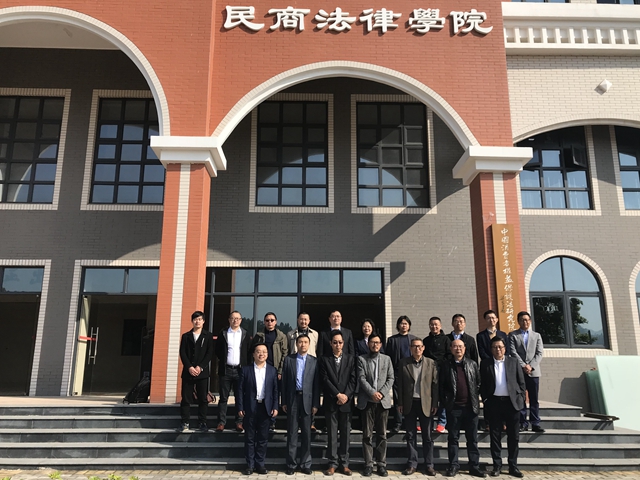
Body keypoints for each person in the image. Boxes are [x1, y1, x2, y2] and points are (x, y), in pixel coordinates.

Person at [480, 336, 526, 478]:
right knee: (495, 436)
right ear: (491, 349)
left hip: (512, 403)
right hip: (494, 403)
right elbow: (482, 384)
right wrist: (486, 400)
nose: (498, 349)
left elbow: (521, 382)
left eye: (500, 347)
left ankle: (513, 466)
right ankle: (497, 465)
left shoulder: (513, 362)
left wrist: (521, 398)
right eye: (495, 347)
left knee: (514, 436)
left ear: (505, 348)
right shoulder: (485, 363)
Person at [440, 339, 484, 478]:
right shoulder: (446, 365)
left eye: (460, 346)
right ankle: (453, 465)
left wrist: (474, 397)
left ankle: (474, 466)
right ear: (451, 349)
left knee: (472, 439)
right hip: (454, 408)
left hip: (471, 408)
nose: (458, 349)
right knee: (453, 438)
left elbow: (478, 383)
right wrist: (446, 401)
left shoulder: (472, 364)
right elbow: (441, 386)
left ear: (465, 348)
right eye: (455, 346)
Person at [397, 338, 438, 477]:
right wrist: (400, 403)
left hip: (426, 403)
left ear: (423, 348)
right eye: (414, 346)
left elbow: (435, 385)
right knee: (410, 435)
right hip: (409, 403)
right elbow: (400, 385)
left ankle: (429, 465)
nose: (417, 349)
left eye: (419, 346)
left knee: (427, 436)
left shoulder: (431, 363)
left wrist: (435, 403)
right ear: (410, 348)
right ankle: (412, 464)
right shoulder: (404, 363)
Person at [319, 330, 357, 476]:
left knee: (345, 434)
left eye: (340, 342)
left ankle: (345, 463)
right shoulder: (324, 359)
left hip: (346, 402)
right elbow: (324, 379)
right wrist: (337, 394)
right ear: (330, 343)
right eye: (335, 342)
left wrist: (346, 395)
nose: (338, 345)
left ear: (344, 343)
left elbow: (353, 379)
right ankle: (332, 463)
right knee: (332, 434)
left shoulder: (351, 359)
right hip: (331, 401)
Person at [237, 343, 279, 475]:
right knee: (249, 438)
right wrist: (240, 407)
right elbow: (240, 390)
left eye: (264, 352)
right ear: (254, 354)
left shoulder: (272, 370)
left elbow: (275, 391)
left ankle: (260, 464)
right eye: (258, 352)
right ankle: (250, 465)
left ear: (267, 354)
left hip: (265, 408)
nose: (261, 354)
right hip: (250, 406)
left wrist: (275, 406)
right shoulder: (246, 370)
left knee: (263, 438)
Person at [356, 333, 394, 477]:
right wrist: (372, 393)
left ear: (381, 344)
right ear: (368, 344)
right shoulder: (361, 359)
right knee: (367, 435)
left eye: (377, 342)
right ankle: (368, 464)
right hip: (367, 401)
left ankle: (381, 464)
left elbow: (391, 378)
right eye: (372, 342)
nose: (375, 345)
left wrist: (381, 393)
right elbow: (361, 378)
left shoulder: (387, 359)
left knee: (382, 435)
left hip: (382, 402)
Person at [281, 334, 320, 475]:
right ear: (296, 344)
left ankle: (305, 464)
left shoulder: (314, 361)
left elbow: (316, 385)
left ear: (309, 344)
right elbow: (284, 382)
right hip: (293, 399)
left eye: (305, 342)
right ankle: (291, 464)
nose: (303, 344)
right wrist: (283, 401)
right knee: (292, 433)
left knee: (306, 434)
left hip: (307, 400)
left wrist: (315, 404)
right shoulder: (289, 360)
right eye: (300, 342)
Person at [508, 311, 545, 433]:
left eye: (527, 320)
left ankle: (535, 423)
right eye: (523, 320)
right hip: (519, 372)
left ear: (530, 321)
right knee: (521, 398)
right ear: (518, 321)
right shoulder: (513, 335)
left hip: (533, 372)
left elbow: (539, 353)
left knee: (534, 399)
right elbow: (513, 352)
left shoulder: (537, 335)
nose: (525, 322)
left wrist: (531, 366)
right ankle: (523, 422)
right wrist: (523, 365)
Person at [252, 312, 288, 431]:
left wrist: (280, 371)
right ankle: (261, 419)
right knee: (261, 393)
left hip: (275, 370)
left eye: (272, 320)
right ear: (264, 322)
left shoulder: (281, 336)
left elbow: (285, 354)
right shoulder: (259, 336)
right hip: (261, 368)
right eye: (267, 320)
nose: (270, 322)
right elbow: (253, 351)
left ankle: (272, 421)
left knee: (274, 395)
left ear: (276, 322)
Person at [179, 310, 214, 433]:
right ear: (192, 321)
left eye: (199, 319)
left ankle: (202, 422)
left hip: (202, 372)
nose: (197, 321)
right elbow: (182, 353)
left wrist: (201, 367)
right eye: (195, 319)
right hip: (188, 372)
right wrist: (189, 367)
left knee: (203, 399)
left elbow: (209, 353)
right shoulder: (186, 336)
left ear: (203, 321)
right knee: (186, 398)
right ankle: (185, 422)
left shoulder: (208, 336)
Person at [215, 310, 249, 432]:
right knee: (223, 398)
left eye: (238, 318)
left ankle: (239, 422)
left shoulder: (245, 334)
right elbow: (218, 350)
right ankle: (221, 422)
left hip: (240, 370)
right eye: (233, 318)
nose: (235, 320)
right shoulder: (223, 333)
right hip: (226, 370)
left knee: (239, 397)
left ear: (241, 320)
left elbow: (248, 351)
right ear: (229, 320)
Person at [386, 315, 417, 434]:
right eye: (402, 323)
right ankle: (398, 422)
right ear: (398, 325)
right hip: (397, 372)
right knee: (398, 398)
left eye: (406, 323)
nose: (404, 325)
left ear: (409, 325)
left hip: (411, 372)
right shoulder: (392, 340)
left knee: (411, 397)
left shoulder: (413, 339)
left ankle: (409, 422)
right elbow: (388, 357)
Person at [423, 316, 451, 434]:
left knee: (441, 395)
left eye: (436, 324)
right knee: (428, 395)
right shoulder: (426, 340)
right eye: (432, 324)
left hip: (442, 370)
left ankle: (441, 423)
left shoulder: (446, 339)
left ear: (440, 326)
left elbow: (449, 355)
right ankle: (427, 422)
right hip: (428, 370)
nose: (434, 326)